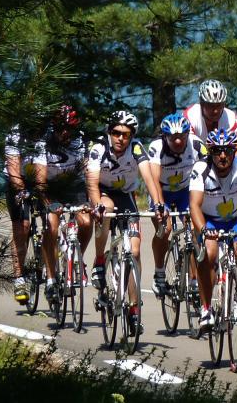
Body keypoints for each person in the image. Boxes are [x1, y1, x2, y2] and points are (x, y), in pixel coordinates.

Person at [87, 111, 162, 333]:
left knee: (134, 252)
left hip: (126, 196)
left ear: (132, 136)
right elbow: (91, 182)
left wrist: (158, 205)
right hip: (102, 193)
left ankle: (134, 310)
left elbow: (149, 178)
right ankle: (100, 260)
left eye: (126, 134)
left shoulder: (136, 148)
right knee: (106, 209)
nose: (121, 138)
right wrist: (96, 206)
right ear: (109, 132)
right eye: (116, 133)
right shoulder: (98, 148)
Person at [188, 128, 237, 330]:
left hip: (235, 218)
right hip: (209, 220)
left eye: (227, 150)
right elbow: (194, 206)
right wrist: (203, 230)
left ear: (234, 151)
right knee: (209, 253)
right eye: (217, 151)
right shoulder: (201, 168)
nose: (222, 155)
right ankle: (206, 308)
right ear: (210, 152)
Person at [33, 105, 91, 300]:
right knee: (52, 227)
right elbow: (40, 180)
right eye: (60, 128)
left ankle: (77, 258)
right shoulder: (44, 142)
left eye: (69, 129)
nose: (64, 133)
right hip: (51, 186)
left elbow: (87, 172)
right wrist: (48, 203)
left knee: (86, 222)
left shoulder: (80, 139)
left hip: (73, 184)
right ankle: (50, 279)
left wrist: (90, 201)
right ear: (54, 127)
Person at [146, 112, 207, 296]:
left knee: (196, 232)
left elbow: (206, 174)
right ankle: (159, 273)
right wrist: (159, 205)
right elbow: (154, 179)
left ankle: (194, 280)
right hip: (162, 190)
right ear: (165, 136)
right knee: (165, 230)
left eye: (181, 136)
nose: (178, 141)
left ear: (188, 134)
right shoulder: (157, 147)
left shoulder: (197, 145)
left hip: (185, 191)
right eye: (173, 138)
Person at [4, 124, 39, 304]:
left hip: (42, 179)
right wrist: (22, 190)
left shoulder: (49, 131)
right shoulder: (15, 132)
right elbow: (14, 170)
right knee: (22, 226)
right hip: (17, 179)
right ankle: (19, 277)